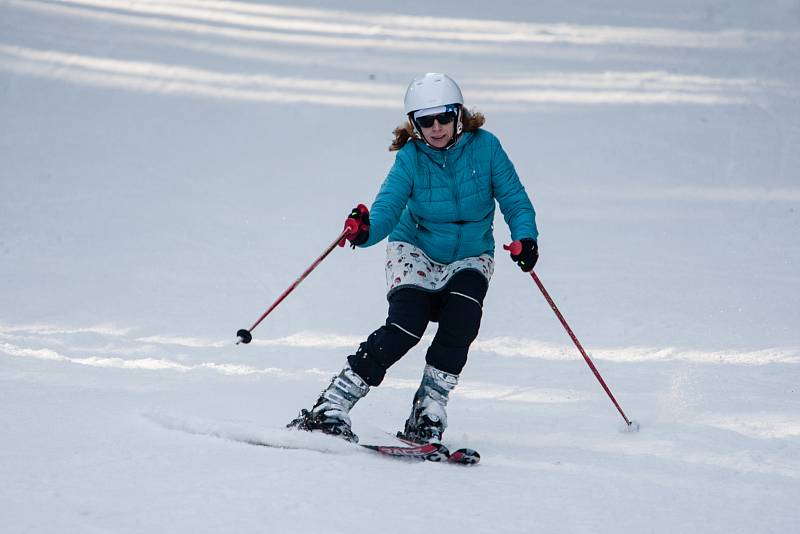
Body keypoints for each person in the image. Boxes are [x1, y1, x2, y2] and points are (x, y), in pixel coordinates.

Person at [288, 73, 538, 444]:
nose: (435, 128)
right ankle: (331, 405)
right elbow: (388, 206)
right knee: (406, 326)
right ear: (414, 124)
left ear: (458, 114)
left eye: (442, 117)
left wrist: (525, 238)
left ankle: (428, 409)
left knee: (462, 322)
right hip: (415, 249)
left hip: (471, 253)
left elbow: (514, 198)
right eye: (425, 120)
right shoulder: (411, 158)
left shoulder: (486, 148)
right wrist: (366, 231)